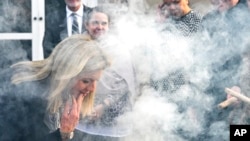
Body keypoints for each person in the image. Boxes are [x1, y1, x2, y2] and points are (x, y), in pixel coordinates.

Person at [0, 35, 111, 141]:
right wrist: (64, 134)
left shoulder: (57, 93)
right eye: (86, 81)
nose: (92, 88)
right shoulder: (30, 97)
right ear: (66, 74)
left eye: (95, 81)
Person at [73, 7, 137, 141]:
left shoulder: (119, 49)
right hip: (81, 116)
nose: (99, 27)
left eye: (103, 23)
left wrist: (103, 106)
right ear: (87, 25)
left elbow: (124, 84)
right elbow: (71, 80)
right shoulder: (76, 46)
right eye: (95, 23)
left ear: (109, 25)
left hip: (112, 120)